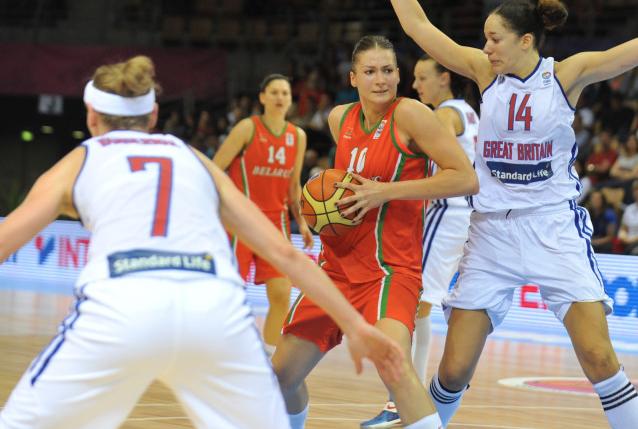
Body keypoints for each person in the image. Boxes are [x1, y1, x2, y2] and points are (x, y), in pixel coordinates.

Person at [382, 0, 638, 427]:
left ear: (526, 41)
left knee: (599, 357)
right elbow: (416, 24)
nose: (486, 47)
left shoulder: (566, 74)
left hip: (553, 229)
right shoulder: (483, 72)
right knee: (453, 368)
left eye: (494, 39)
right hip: (490, 234)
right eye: (484, 39)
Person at [0, 56, 405, 429]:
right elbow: (285, 252)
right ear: (154, 114)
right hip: (214, 312)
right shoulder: (191, 156)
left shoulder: (80, 159)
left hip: (122, 307)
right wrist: (354, 326)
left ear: (91, 117)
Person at [272, 36, 479, 429]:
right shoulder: (339, 119)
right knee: (280, 377)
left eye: (387, 70)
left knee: (394, 366)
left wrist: (386, 192)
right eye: (369, 72)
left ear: (399, 75)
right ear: (354, 77)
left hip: (389, 269)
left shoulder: (412, 114)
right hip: (336, 268)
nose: (380, 79)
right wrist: (323, 205)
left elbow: (467, 179)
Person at [361, 52, 480, 428]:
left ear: (445, 79)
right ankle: (420, 397)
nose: (415, 85)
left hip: (448, 212)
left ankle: (403, 403)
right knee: (426, 305)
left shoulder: (443, 114)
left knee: (414, 305)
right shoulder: (468, 110)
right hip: (468, 214)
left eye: (422, 78)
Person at [212, 74, 314, 356]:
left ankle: (270, 365)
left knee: (282, 294)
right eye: (275, 92)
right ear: (263, 97)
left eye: (285, 93)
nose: (281, 97)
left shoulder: (298, 136)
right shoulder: (247, 128)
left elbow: (294, 186)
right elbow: (214, 168)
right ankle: (219, 353)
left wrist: (302, 221)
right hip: (240, 221)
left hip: (275, 224)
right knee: (230, 294)